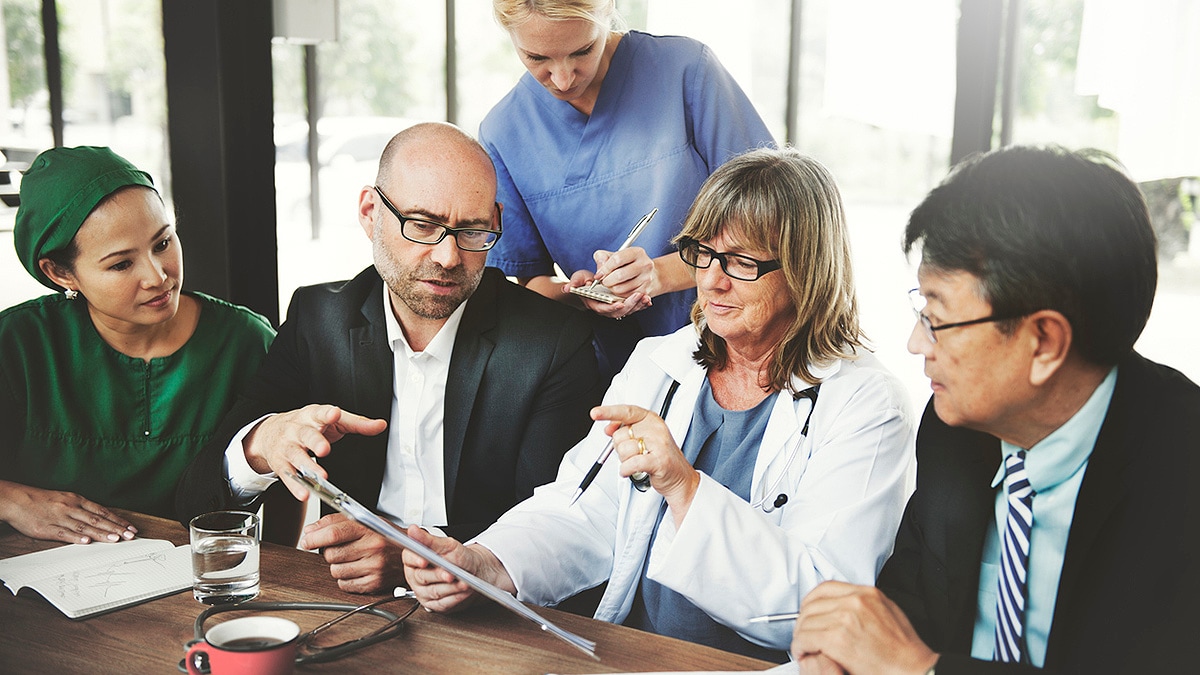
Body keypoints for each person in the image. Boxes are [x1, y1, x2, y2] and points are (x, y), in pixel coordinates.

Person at [401, 147, 916, 662]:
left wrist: (685, 488)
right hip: (637, 654)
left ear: (806, 268)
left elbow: (821, 605)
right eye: (702, 253)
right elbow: (584, 510)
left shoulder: (866, 403)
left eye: (740, 261)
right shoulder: (659, 363)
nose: (712, 280)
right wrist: (484, 564)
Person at [790, 146, 1199, 674]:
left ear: (1044, 341)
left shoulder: (1182, 478)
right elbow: (908, 607)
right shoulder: (955, 429)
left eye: (936, 317)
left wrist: (919, 670)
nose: (916, 344)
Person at [175, 122, 605, 594]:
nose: (447, 256)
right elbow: (196, 503)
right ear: (369, 212)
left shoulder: (553, 342)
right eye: (422, 225)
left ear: (496, 223)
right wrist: (259, 443)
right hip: (347, 602)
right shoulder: (318, 320)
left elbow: (555, 528)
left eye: (473, 230)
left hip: (491, 616)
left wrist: (413, 556)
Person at [481, 0, 775, 377]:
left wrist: (660, 274)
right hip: (616, 368)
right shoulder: (504, 132)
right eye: (537, 57)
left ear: (609, 10)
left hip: (737, 342)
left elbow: (772, 216)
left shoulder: (686, 70)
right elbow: (532, 283)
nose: (564, 77)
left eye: (582, 50)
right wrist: (582, 295)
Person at [0, 146, 274, 544]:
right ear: (61, 273)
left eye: (162, 243)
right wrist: (11, 501)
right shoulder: (17, 346)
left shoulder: (247, 342)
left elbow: (289, 477)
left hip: (202, 584)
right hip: (39, 589)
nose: (157, 276)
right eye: (121, 264)